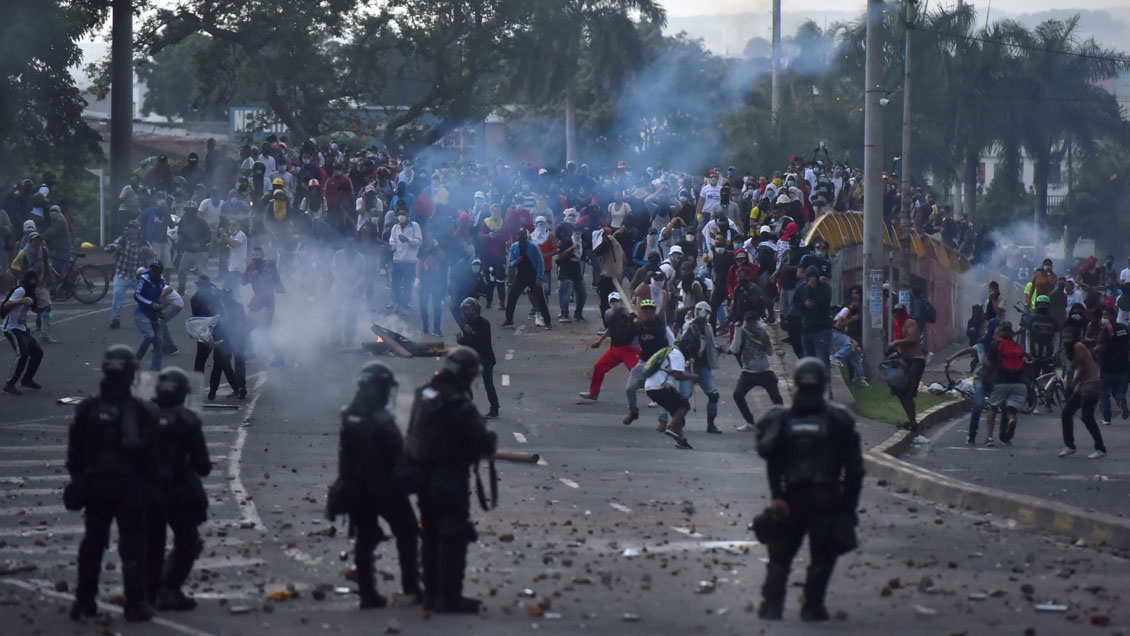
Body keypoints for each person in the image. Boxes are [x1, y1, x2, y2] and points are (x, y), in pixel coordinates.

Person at [754, 358, 864, 622]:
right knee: (822, 557)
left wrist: (778, 497)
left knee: (781, 554)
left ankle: (772, 606)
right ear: (824, 384)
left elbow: (772, 461)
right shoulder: (838, 420)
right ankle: (812, 606)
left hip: (792, 496)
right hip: (826, 498)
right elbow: (855, 471)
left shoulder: (782, 420)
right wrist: (847, 507)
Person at [65, 345, 159, 622]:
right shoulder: (143, 410)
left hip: (96, 487)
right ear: (131, 374)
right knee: (132, 546)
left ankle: (84, 601)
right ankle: (135, 603)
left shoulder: (88, 409)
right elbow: (153, 456)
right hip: (130, 488)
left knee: (93, 543)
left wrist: (80, 482)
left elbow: (75, 454)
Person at [402, 347, 498, 613]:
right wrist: (488, 442)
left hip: (422, 476)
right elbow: (481, 441)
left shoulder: (425, 393)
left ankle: (433, 594)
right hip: (448, 479)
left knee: (430, 535)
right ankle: (449, 597)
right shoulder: (458, 404)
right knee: (453, 536)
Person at [328, 363, 421, 609]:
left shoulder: (349, 414)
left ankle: (367, 594)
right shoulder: (382, 420)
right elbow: (397, 455)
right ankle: (411, 587)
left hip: (356, 487)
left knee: (365, 538)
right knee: (408, 532)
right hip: (384, 487)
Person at [145, 367, 211, 611]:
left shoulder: (143, 415)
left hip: (148, 490)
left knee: (151, 542)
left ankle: (148, 592)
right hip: (179, 491)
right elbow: (202, 465)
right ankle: (170, 588)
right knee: (188, 541)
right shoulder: (187, 420)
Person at [579, 292, 639, 401]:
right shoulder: (608, 314)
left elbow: (638, 326)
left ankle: (656, 396)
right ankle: (593, 393)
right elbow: (611, 329)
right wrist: (600, 340)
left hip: (630, 348)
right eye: (612, 302)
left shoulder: (629, 312)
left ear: (621, 301)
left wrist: (635, 319)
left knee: (640, 372)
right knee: (599, 367)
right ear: (609, 303)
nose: (614, 303)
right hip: (616, 348)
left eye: (616, 301)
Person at [623, 298, 675, 426]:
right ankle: (633, 412)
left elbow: (657, 335)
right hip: (644, 362)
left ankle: (663, 419)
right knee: (629, 388)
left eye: (650, 311)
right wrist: (630, 324)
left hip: (659, 362)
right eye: (645, 311)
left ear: (654, 311)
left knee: (660, 390)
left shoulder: (660, 323)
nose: (648, 313)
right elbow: (625, 339)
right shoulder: (638, 325)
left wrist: (643, 326)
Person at [731, 309, 784, 431]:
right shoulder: (742, 331)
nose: (751, 324)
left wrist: (767, 343)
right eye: (748, 321)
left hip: (765, 370)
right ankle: (750, 422)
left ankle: (780, 422)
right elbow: (734, 349)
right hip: (748, 372)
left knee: (776, 397)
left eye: (753, 321)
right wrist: (737, 332)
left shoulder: (762, 331)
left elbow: (770, 353)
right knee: (738, 394)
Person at [948, 318, 998, 444]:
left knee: (999, 406)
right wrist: (952, 358)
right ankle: (972, 434)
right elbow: (970, 349)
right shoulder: (983, 343)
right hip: (980, 376)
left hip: (995, 379)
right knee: (979, 404)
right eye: (997, 327)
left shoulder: (1003, 344)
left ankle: (998, 435)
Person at [1060, 327, 1107, 459]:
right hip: (1084, 386)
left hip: (1091, 386)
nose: (1066, 340)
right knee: (1067, 412)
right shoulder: (1072, 348)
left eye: (1069, 337)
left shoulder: (1078, 346)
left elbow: (1082, 369)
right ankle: (1069, 445)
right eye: (1064, 337)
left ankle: (1100, 448)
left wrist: (1071, 385)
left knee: (1087, 417)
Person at [644, 339, 699, 449]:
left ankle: (681, 440)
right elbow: (677, 375)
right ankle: (670, 426)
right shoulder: (678, 354)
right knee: (684, 406)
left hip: (650, 386)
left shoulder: (669, 351)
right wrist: (691, 377)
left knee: (675, 411)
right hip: (661, 385)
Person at [678, 301, 723, 434]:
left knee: (713, 395)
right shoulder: (688, 325)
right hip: (688, 365)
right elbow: (682, 342)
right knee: (684, 397)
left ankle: (711, 423)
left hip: (702, 365)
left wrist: (717, 349)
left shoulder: (708, 328)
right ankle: (678, 421)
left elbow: (710, 344)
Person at [2, 270, 45, 395]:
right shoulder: (20, 290)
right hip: (11, 327)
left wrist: (45, 307)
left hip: (22, 327)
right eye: (31, 280)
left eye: (34, 280)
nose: (33, 282)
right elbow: (6, 305)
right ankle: (9, 385)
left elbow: (36, 310)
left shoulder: (32, 292)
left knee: (37, 353)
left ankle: (27, 379)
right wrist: (21, 301)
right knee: (23, 355)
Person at [455, 298, 500, 418]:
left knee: (488, 384)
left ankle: (494, 408)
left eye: (470, 312)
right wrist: (461, 341)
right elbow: (470, 343)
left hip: (486, 359)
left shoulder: (484, 323)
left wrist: (471, 333)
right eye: (466, 312)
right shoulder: (467, 325)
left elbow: (481, 341)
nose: (468, 315)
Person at [9, 231, 56, 342]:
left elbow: (47, 264)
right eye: (34, 240)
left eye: (38, 240)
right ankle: (19, 333)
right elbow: (14, 269)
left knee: (47, 306)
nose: (36, 242)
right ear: (30, 241)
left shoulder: (43, 252)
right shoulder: (23, 253)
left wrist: (49, 278)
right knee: (22, 311)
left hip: (40, 285)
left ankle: (45, 334)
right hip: (26, 287)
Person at [985, 320, 1026, 445]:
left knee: (992, 407)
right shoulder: (1018, 346)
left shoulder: (995, 344)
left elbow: (989, 363)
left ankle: (989, 438)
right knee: (1011, 408)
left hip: (1001, 381)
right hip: (1019, 383)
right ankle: (1011, 419)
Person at [502, 228, 552, 329]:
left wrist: (539, 277)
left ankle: (547, 321)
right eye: (520, 236)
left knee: (540, 298)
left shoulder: (533, 246)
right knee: (512, 296)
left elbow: (540, 262)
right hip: (521, 275)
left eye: (523, 236)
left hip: (533, 275)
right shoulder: (514, 247)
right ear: (518, 237)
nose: (522, 238)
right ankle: (509, 319)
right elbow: (510, 261)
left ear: (526, 236)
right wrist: (516, 261)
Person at [888, 303, 925, 434]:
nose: (897, 314)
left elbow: (913, 338)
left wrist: (897, 342)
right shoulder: (897, 326)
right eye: (895, 312)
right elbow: (902, 348)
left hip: (916, 360)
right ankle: (911, 421)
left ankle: (913, 422)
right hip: (905, 360)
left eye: (899, 312)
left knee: (909, 392)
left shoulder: (910, 322)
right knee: (900, 391)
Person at [794, 266, 834, 380]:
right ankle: (812, 391)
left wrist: (814, 289)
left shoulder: (824, 288)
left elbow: (825, 301)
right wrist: (804, 304)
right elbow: (796, 303)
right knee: (809, 362)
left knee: (822, 360)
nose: (812, 280)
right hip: (807, 328)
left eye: (814, 277)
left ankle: (826, 389)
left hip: (822, 329)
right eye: (810, 277)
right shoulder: (802, 288)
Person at [1095, 305, 1130, 426]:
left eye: (1106, 316)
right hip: (1124, 366)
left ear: (1112, 316)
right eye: (1103, 316)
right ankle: (1121, 402)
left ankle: (1106, 418)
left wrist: (1091, 352)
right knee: (1119, 391)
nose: (1104, 318)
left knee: (1104, 392)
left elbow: (1100, 347)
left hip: (1108, 367)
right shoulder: (1125, 328)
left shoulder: (1106, 330)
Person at [134, 259, 167, 372]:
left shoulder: (162, 281)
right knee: (149, 335)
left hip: (153, 315)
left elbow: (158, 298)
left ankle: (156, 371)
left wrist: (160, 310)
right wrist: (151, 304)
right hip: (142, 313)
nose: (153, 271)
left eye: (156, 269)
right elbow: (137, 295)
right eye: (152, 268)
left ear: (161, 271)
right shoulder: (144, 278)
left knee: (159, 343)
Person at [389, 209, 422, 312]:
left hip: (410, 261)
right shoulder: (395, 228)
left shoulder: (414, 226)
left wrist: (407, 240)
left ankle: (406, 304)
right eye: (400, 214)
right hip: (397, 260)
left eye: (403, 214)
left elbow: (419, 241)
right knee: (396, 284)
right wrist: (389, 247)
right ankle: (398, 302)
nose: (401, 216)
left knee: (408, 284)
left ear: (408, 215)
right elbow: (392, 241)